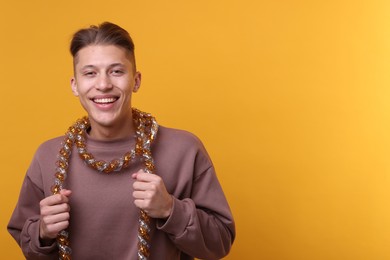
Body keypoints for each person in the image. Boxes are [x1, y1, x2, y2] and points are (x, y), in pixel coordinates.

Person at [7, 22, 235, 260]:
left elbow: (220, 243)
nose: (104, 84)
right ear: (75, 85)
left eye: (116, 71)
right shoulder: (48, 155)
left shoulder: (184, 150)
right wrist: (43, 232)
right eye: (90, 73)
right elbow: (26, 243)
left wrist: (170, 209)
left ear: (135, 81)